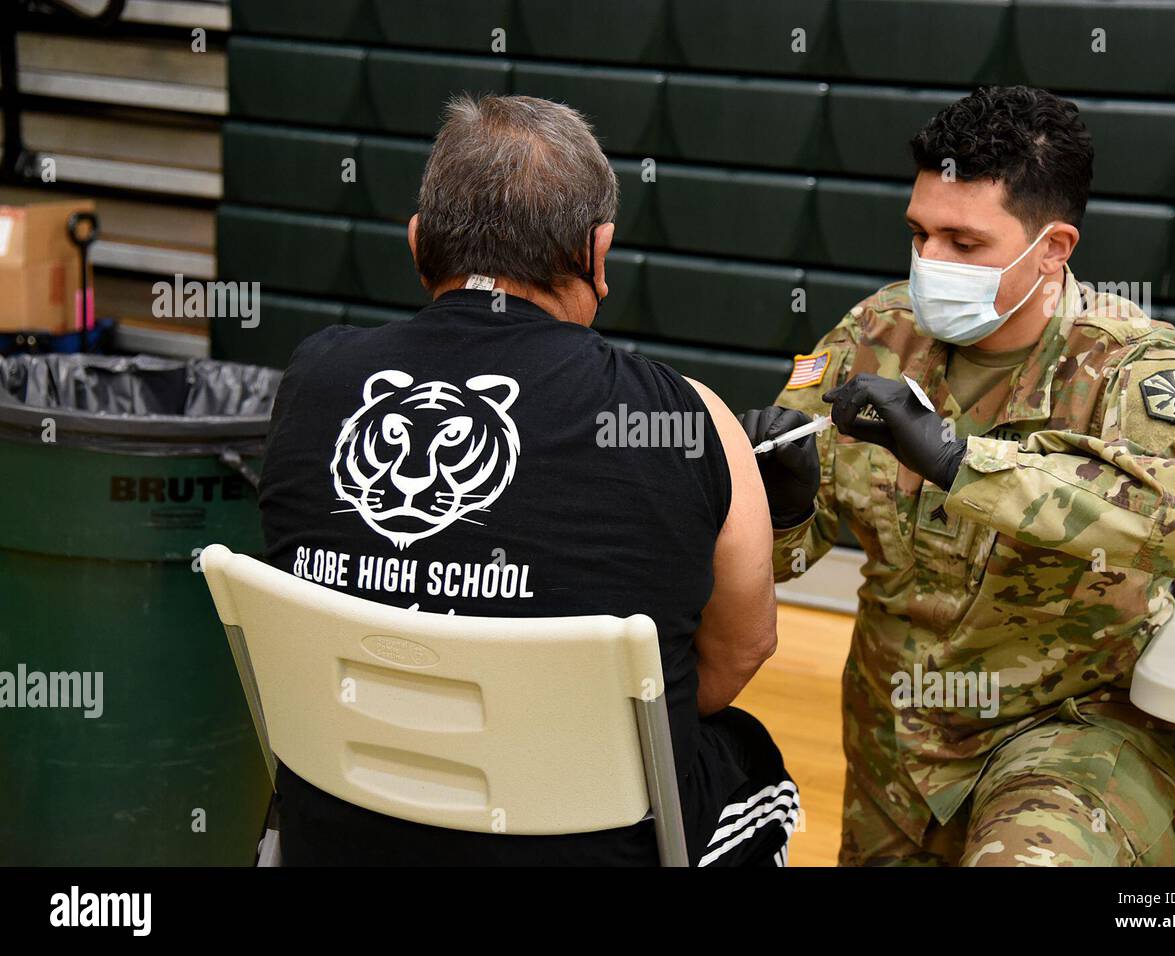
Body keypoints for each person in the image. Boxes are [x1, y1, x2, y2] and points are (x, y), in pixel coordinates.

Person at [741, 85, 1175, 866]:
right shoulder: (877, 335)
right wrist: (783, 507)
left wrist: (964, 463)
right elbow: (776, 560)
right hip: (897, 745)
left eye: (964, 245)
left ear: (1054, 248)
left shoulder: (1133, 366)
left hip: (1073, 737)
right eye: (919, 234)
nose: (930, 263)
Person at [259, 93, 797, 866]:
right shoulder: (691, 419)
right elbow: (738, 655)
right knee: (751, 764)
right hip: (586, 842)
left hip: (342, 826)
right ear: (596, 250)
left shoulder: (308, 382)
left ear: (418, 243)